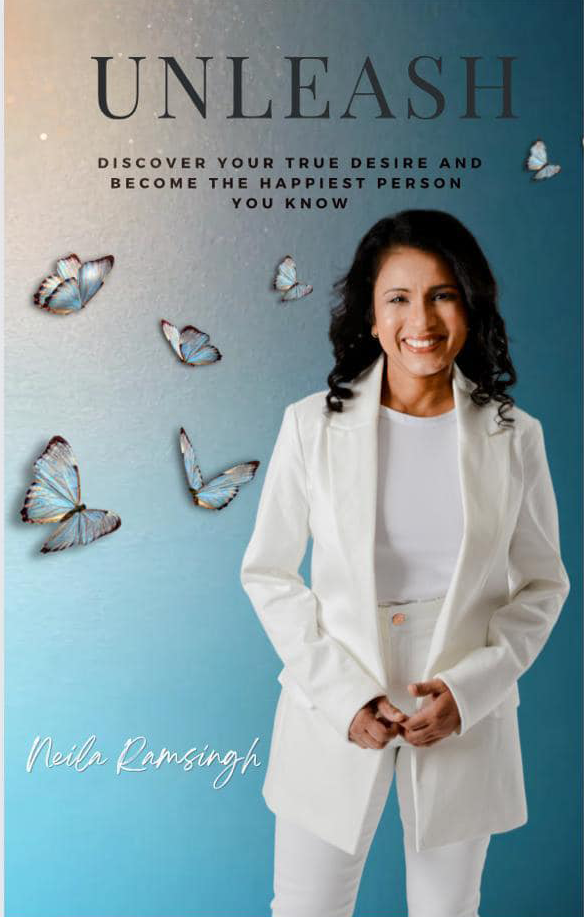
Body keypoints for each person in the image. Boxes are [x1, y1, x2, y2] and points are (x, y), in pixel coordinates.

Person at [240, 209, 570, 917]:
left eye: (443, 293)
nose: (421, 318)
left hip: (457, 707)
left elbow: (543, 584)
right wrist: (343, 697)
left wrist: (471, 691)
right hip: (333, 695)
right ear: (370, 310)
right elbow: (268, 572)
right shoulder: (309, 426)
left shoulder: (516, 437)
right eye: (398, 297)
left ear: (470, 305)